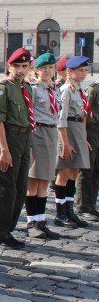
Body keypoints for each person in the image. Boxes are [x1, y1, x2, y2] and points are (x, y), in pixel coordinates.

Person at [0, 48, 35, 249]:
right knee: (6, 189)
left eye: (24, 66)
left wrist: (30, 148)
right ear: (9, 66)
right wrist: (5, 150)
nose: (21, 70)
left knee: (21, 188)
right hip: (9, 137)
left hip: (24, 138)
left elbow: (28, 120)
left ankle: (9, 230)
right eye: (17, 66)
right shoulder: (3, 87)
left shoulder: (26, 87)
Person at [25, 53, 62, 238]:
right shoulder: (33, 88)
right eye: (43, 68)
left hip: (51, 133)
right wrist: (30, 145)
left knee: (45, 179)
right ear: (35, 70)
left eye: (51, 67)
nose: (47, 71)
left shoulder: (55, 89)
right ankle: (32, 221)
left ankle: (41, 220)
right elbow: (28, 116)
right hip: (37, 133)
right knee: (34, 179)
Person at [52, 56, 92, 229]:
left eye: (85, 70)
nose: (83, 74)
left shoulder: (78, 90)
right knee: (65, 173)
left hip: (78, 132)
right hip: (68, 133)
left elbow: (82, 115)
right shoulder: (66, 90)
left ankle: (69, 211)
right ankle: (61, 213)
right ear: (69, 72)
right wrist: (65, 143)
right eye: (80, 71)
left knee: (74, 173)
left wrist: (84, 139)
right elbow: (61, 118)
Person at [76, 68, 99, 221]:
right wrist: (83, 136)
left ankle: (91, 205)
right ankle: (83, 206)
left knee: (96, 171)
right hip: (90, 130)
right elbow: (84, 112)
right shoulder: (93, 90)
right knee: (87, 169)